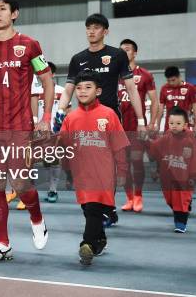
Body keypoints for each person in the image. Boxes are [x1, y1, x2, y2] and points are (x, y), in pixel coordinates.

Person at [0, 0, 54, 262]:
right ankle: (2, 243)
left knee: (20, 183)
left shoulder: (30, 45)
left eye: (3, 9)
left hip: (20, 127)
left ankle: (37, 218)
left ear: (14, 14)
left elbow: (48, 82)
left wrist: (45, 118)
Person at [54, 13, 147, 227]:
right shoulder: (78, 59)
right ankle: (102, 208)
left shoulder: (117, 55)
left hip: (110, 117)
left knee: (109, 166)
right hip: (83, 121)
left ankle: (107, 208)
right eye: (88, 27)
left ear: (105, 31)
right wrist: (60, 111)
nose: (91, 31)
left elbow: (131, 88)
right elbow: (68, 89)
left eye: (96, 27)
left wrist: (141, 119)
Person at [59, 70, 129, 266]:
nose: (82, 91)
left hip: (104, 175)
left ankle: (87, 244)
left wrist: (122, 172)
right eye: (79, 88)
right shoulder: (71, 118)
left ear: (98, 91)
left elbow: (120, 146)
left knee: (93, 209)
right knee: (90, 211)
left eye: (88, 87)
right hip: (81, 176)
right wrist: (67, 172)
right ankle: (99, 240)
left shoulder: (109, 115)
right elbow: (65, 147)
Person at [117, 39, 159, 212]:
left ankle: (138, 196)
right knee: (123, 164)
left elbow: (154, 101)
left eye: (127, 50)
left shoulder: (145, 75)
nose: (123, 53)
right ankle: (128, 198)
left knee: (136, 161)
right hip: (119, 128)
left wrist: (152, 122)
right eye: (121, 50)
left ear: (135, 53)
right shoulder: (115, 75)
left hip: (137, 127)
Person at [147, 107, 196, 233]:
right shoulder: (166, 137)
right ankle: (183, 207)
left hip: (184, 178)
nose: (174, 126)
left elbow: (195, 159)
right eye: (171, 123)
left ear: (185, 125)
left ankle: (180, 223)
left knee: (181, 200)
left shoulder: (189, 140)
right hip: (169, 177)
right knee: (170, 200)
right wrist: (146, 141)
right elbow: (155, 147)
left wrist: (192, 178)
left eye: (178, 124)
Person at [31, 61, 67, 203]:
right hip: (37, 131)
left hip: (55, 131)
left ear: (53, 74)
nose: (43, 74)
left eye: (47, 72)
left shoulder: (61, 90)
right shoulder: (35, 90)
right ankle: (30, 191)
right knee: (33, 161)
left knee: (53, 160)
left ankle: (53, 190)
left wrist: (62, 129)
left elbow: (67, 111)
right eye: (40, 72)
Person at [158, 66, 196, 132]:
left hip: (184, 126)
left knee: (185, 142)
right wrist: (158, 125)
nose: (171, 83)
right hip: (169, 127)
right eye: (168, 81)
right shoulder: (164, 88)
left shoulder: (190, 87)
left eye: (173, 80)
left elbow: (195, 107)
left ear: (179, 76)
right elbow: (161, 107)